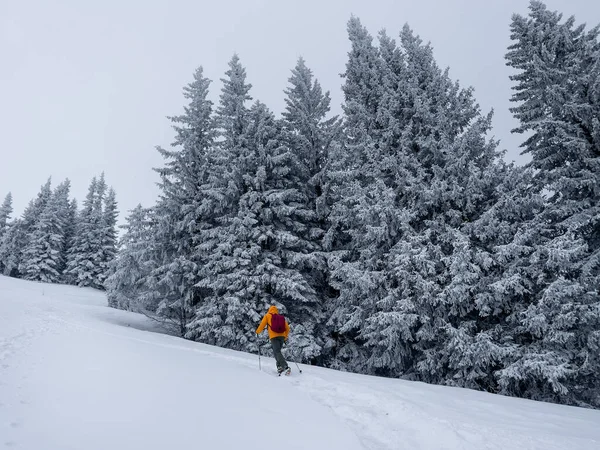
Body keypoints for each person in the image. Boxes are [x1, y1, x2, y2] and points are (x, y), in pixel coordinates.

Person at [256, 305, 290, 374]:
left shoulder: (268, 315)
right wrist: (285, 337)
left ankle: (285, 367)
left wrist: (257, 332)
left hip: (274, 336)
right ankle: (279, 367)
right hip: (282, 336)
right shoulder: (281, 317)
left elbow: (262, 324)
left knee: (277, 351)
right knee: (277, 352)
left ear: (269, 310)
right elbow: (287, 328)